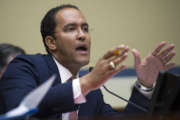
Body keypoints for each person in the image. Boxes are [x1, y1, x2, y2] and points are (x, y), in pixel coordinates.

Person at [0, 4, 176, 120]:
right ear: (51, 42)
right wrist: (86, 83)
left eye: (85, 28)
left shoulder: (91, 93)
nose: (82, 35)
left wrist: (144, 85)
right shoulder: (27, 66)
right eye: (71, 29)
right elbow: (20, 110)